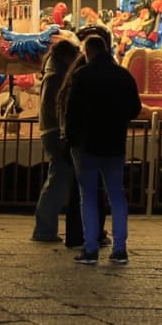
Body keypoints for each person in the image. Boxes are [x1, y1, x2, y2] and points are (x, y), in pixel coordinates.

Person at [62, 29, 143, 266]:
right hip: (114, 143)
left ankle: (90, 249)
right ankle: (120, 249)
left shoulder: (82, 76)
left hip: (86, 144)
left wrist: (70, 139)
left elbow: (72, 112)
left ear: (88, 52)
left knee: (88, 196)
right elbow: (134, 108)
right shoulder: (123, 76)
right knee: (116, 194)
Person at [31, 38, 82, 243]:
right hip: (54, 132)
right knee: (58, 180)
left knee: (58, 179)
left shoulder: (52, 75)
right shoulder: (55, 78)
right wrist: (63, 131)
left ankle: (45, 227)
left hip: (51, 130)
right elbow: (57, 107)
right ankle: (44, 228)